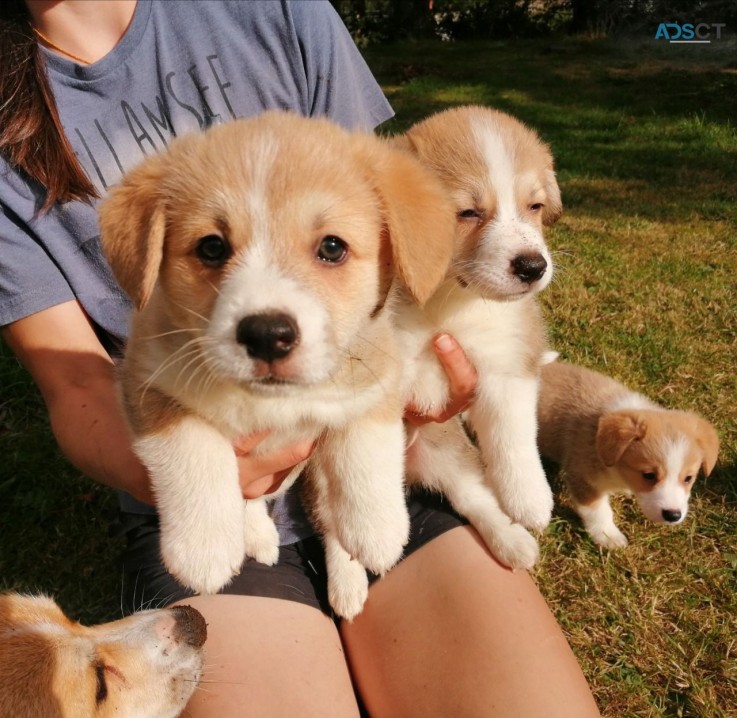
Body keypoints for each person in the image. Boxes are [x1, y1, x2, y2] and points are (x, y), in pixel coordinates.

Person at [0, 1, 601, 715]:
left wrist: (411, 396)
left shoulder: (273, 9)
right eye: (212, 252)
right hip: (212, 496)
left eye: (326, 252)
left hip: (386, 461)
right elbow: (73, 376)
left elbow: (393, 218)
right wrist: (209, 482)